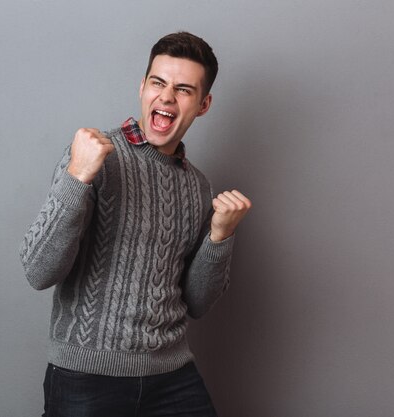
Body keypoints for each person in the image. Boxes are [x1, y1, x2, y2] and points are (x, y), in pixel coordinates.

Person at [20, 31, 251, 417]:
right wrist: (77, 178)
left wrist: (220, 236)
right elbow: (38, 271)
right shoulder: (94, 156)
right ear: (142, 87)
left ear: (203, 104)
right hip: (86, 377)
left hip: (173, 375)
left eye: (183, 89)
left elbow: (197, 303)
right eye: (158, 83)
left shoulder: (197, 186)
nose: (166, 97)